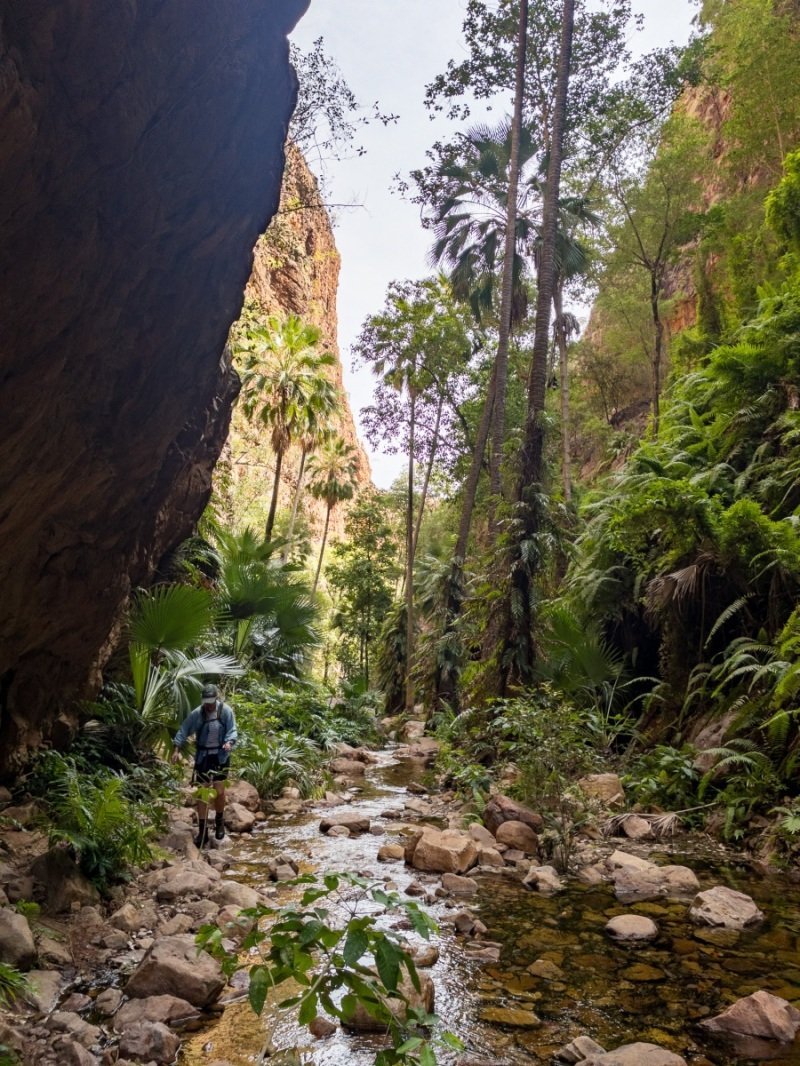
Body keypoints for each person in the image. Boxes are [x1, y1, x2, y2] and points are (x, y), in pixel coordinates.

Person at [171, 683, 237, 847]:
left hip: (221, 756)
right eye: (206, 701)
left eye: (211, 701)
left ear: (216, 698)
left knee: (220, 791)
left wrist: (229, 742)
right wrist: (176, 749)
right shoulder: (197, 713)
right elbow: (184, 729)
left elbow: (232, 730)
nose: (208, 705)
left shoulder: (225, 711)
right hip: (203, 756)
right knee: (202, 793)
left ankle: (220, 823)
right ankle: (203, 831)